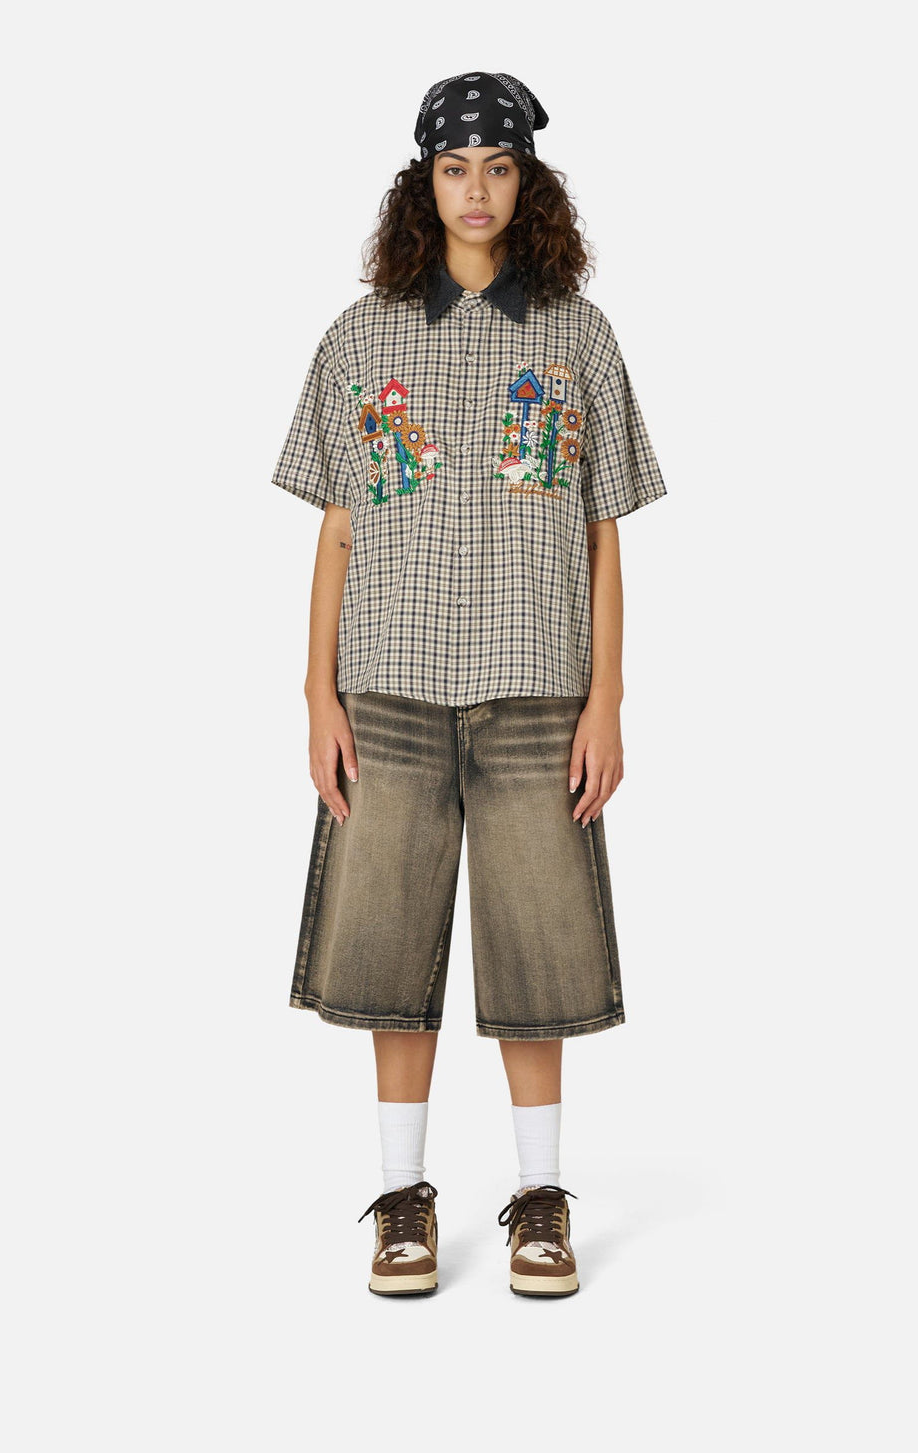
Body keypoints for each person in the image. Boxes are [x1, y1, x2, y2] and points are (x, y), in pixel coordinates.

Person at [271, 70, 667, 1298]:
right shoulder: (360, 336)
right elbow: (339, 526)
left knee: (541, 947)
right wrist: (316, 696)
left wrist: (606, 700)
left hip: (537, 685)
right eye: (455, 169)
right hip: (386, 688)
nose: (477, 190)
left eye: (498, 168)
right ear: (424, 183)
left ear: (526, 182)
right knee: (390, 949)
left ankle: (539, 1199)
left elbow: (602, 531)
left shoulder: (577, 335)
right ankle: (402, 1198)